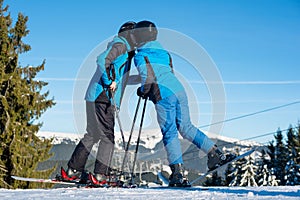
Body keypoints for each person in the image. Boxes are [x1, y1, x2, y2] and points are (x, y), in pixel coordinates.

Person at [133, 20, 235, 187]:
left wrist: (143, 90)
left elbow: (147, 79)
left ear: (140, 35)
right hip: (179, 91)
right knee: (186, 126)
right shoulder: (164, 53)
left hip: (163, 94)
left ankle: (178, 173)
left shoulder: (140, 55)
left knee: (170, 132)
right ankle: (215, 153)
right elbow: (169, 72)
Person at [61, 21, 136, 184]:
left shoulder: (125, 50)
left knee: (93, 135)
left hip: (95, 96)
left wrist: (142, 80)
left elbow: (120, 78)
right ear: (128, 34)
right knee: (107, 136)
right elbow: (102, 60)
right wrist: (109, 82)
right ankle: (100, 174)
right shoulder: (120, 45)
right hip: (103, 97)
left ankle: (73, 170)